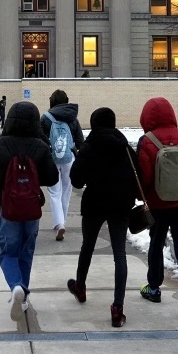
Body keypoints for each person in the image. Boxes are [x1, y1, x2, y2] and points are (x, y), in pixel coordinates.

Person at [0, 101, 58, 321]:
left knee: (8, 253)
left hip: (9, 207)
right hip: (32, 208)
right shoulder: (40, 146)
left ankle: (16, 287)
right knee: (26, 252)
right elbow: (52, 177)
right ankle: (23, 296)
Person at [67, 107, 138, 328]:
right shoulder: (125, 147)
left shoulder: (89, 146)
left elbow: (76, 180)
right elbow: (138, 175)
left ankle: (80, 286)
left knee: (87, 245)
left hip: (95, 203)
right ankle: (118, 308)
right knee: (120, 253)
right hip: (121, 204)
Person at [136, 96, 178, 319]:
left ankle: (153, 288)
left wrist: (143, 197)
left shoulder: (147, 140)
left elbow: (144, 177)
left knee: (156, 244)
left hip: (158, 203)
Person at [41, 89, 85, 241]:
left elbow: (41, 139)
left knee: (54, 192)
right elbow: (80, 140)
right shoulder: (73, 118)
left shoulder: (46, 118)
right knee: (66, 192)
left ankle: (59, 224)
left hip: (52, 159)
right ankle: (63, 222)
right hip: (69, 159)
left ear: (52, 101)